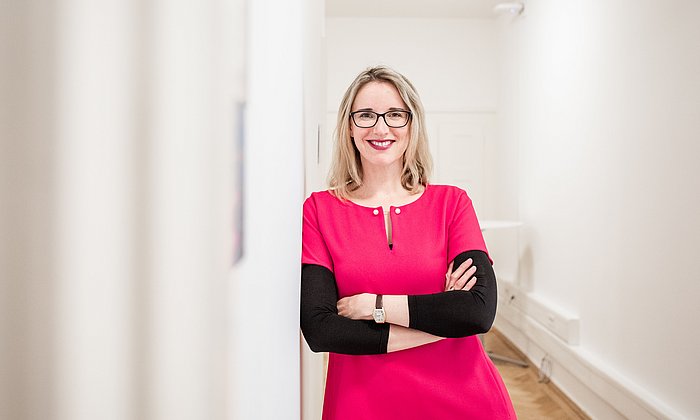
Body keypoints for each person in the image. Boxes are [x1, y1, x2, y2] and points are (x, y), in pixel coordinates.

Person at [300, 66, 516, 419]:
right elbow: (322, 330)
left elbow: (477, 311)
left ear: (412, 125)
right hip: (362, 405)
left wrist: (375, 305)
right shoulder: (320, 211)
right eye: (366, 115)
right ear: (349, 127)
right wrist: (441, 324)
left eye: (395, 115)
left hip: (465, 400)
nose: (381, 128)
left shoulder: (452, 203)